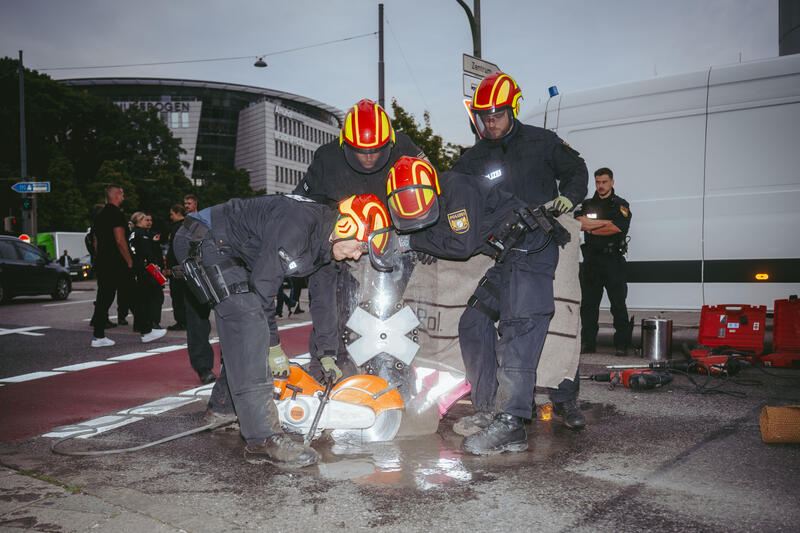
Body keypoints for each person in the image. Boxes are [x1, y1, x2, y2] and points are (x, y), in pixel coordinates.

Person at [173, 193, 384, 468]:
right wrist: (273, 347)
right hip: (204, 238)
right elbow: (263, 295)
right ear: (345, 227)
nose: (356, 256)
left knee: (245, 325)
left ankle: (223, 407)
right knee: (247, 320)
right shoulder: (298, 225)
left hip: (236, 249)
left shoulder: (326, 247)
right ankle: (262, 439)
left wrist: (327, 353)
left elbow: (324, 303)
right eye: (358, 247)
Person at [447, 72, 589, 453]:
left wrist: (568, 198)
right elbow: (452, 200)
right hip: (504, 254)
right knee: (473, 319)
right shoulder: (472, 158)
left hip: (538, 246)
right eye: (482, 116)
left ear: (513, 109)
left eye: (496, 115)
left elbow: (577, 170)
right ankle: (488, 407)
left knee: (525, 325)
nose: (489, 123)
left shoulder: (542, 143)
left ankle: (517, 418)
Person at [291, 99, 424, 378]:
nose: (368, 158)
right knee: (332, 314)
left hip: (391, 244)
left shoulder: (406, 148)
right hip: (342, 244)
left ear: (389, 142)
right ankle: (327, 371)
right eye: (361, 152)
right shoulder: (326, 158)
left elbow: (427, 191)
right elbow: (303, 206)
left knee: (391, 312)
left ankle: (396, 370)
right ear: (345, 145)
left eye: (376, 151)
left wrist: (426, 237)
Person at [576, 167, 632, 356]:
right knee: (588, 306)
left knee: (618, 304)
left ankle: (622, 344)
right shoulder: (587, 204)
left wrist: (592, 227)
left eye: (604, 182)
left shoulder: (620, 205)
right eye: (598, 182)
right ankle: (588, 343)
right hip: (591, 261)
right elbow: (580, 223)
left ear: (612, 182)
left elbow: (617, 228)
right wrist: (602, 224)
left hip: (613, 261)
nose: (600, 186)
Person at [89, 185, 136, 347]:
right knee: (132, 293)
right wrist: (129, 260)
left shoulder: (99, 216)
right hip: (116, 262)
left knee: (104, 297)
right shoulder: (116, 214)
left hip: (103, 261)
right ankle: (146, 329)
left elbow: (95, 242)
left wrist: (99, 257)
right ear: (116, 195)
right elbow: (120, 240)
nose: (123, 196)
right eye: (122, 193)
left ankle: (99, 335)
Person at [178, 194, 217, 385]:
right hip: (195, 278)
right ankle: (203, 367)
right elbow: (177, 254)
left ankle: (232, 365)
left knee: (232, 323)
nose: (186, 206)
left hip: (218, 274)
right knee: (198, 324)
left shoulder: (211, 222)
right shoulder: (181, 229)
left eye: (189, 203)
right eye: (184, 203)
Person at [129, 212, 167, 343]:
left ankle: (142, 325)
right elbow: (146, 251)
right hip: (146, 268)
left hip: (137, 268)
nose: (148, 222)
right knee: (155, 295)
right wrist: (154, 263)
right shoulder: (142, 233)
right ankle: (151, 326)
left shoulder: (133, 233)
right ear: (139, 220)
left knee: (142, 298)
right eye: (145, 219)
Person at [165, 204, 187, 331]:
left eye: (172, 214)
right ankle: (186, 320)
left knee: (177, 294)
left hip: (176, 266)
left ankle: (181, 321)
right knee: (184, 294)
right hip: (185, 265)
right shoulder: (187, 225)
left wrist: (169, 266)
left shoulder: (176, 228)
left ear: (177, 213)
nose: (170, 216)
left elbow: (173, 249)